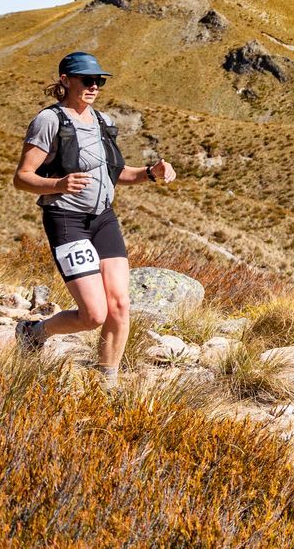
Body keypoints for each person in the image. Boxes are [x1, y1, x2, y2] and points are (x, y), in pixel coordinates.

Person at [10, 51, 175, 382]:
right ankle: (34, 332)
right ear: (65, 81)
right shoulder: (49, 121)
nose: (94, 86)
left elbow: (117, 174)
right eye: (87, 80)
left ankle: (106, 381)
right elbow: (22, 177)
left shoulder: (103, 122)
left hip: (103, 219)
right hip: (66, 219)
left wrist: (151, 173)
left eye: (99, 81)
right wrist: (58, 183)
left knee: (120, 305)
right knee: (94, 314)